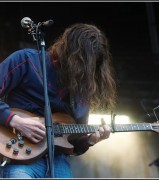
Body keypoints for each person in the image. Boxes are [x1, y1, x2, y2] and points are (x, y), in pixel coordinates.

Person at [0, 23, 117, 178]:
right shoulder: (26, 60)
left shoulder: (82, 93)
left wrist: (92, 140)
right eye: (82, 64)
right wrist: (15, 121)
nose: (85, 72)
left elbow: (74, 146)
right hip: (20, 158)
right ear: (70, 54)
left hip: (59, 162)